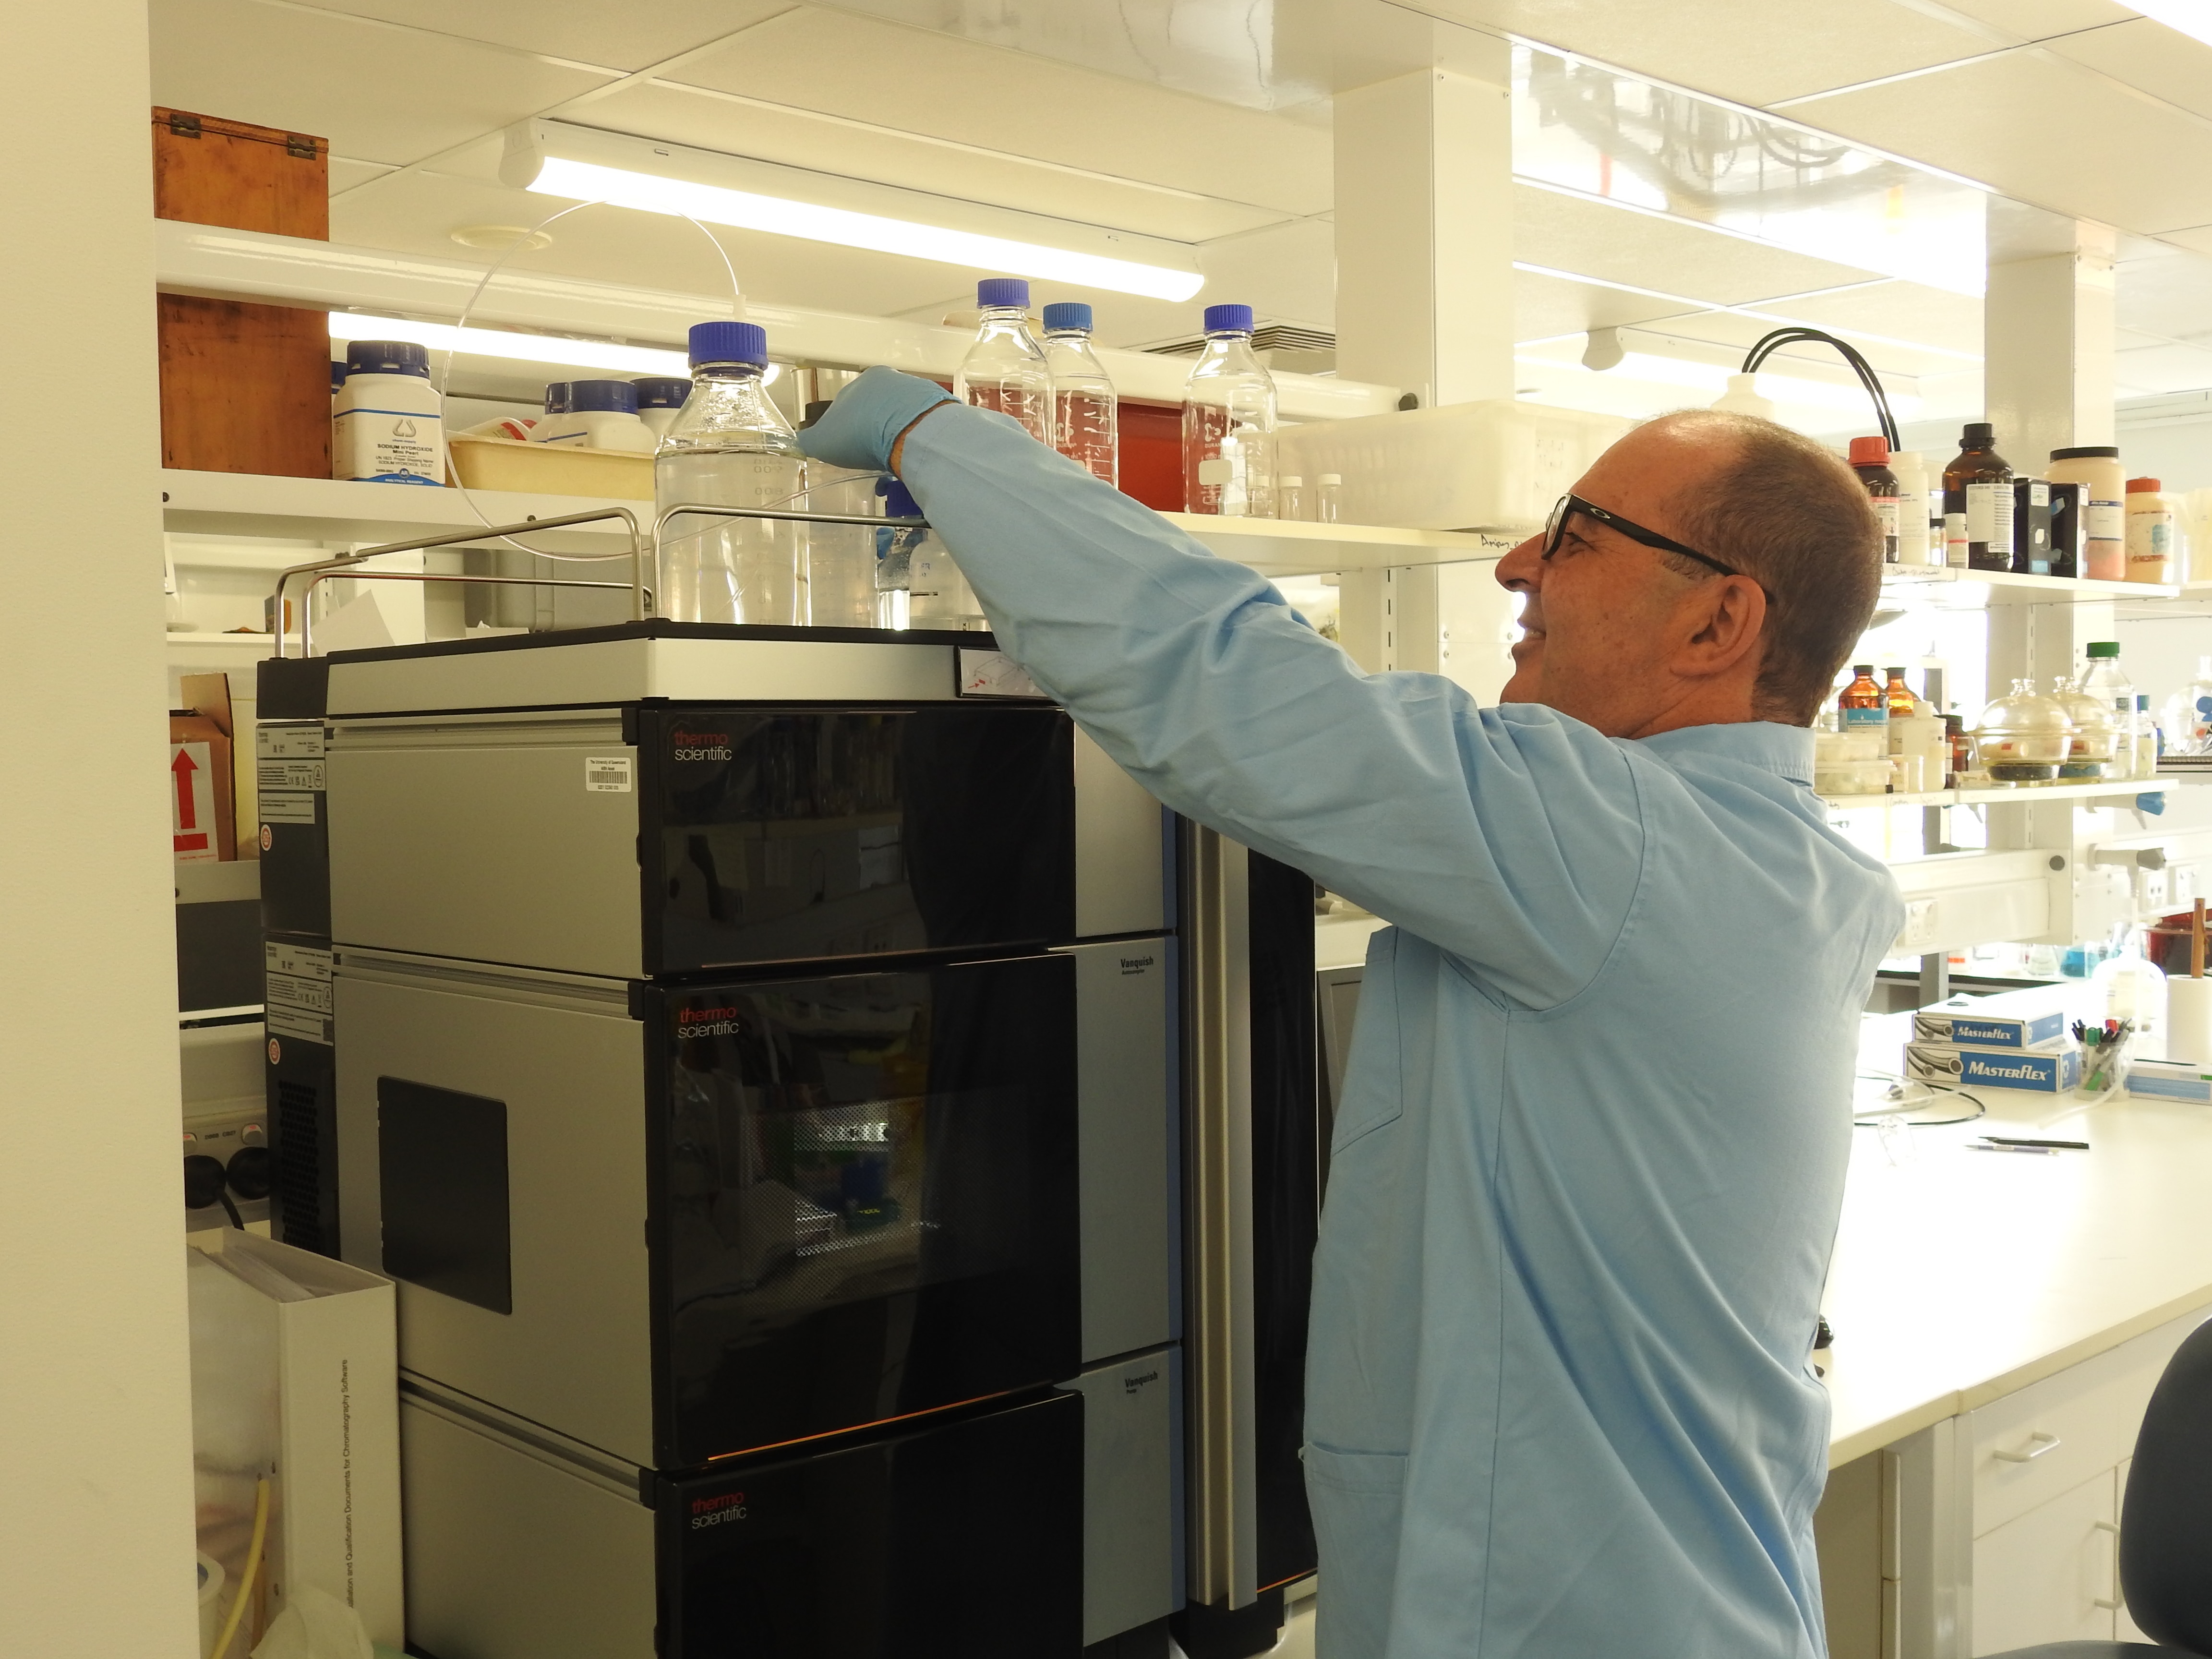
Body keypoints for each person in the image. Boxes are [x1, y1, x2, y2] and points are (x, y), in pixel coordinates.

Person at [801, 366, 1904, 1658]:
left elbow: (1215, 675)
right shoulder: (1791, 871)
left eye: (1576, 540)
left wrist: (943, 437)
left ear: (1720, 624)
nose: (1515, 566)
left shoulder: (1614, 844)